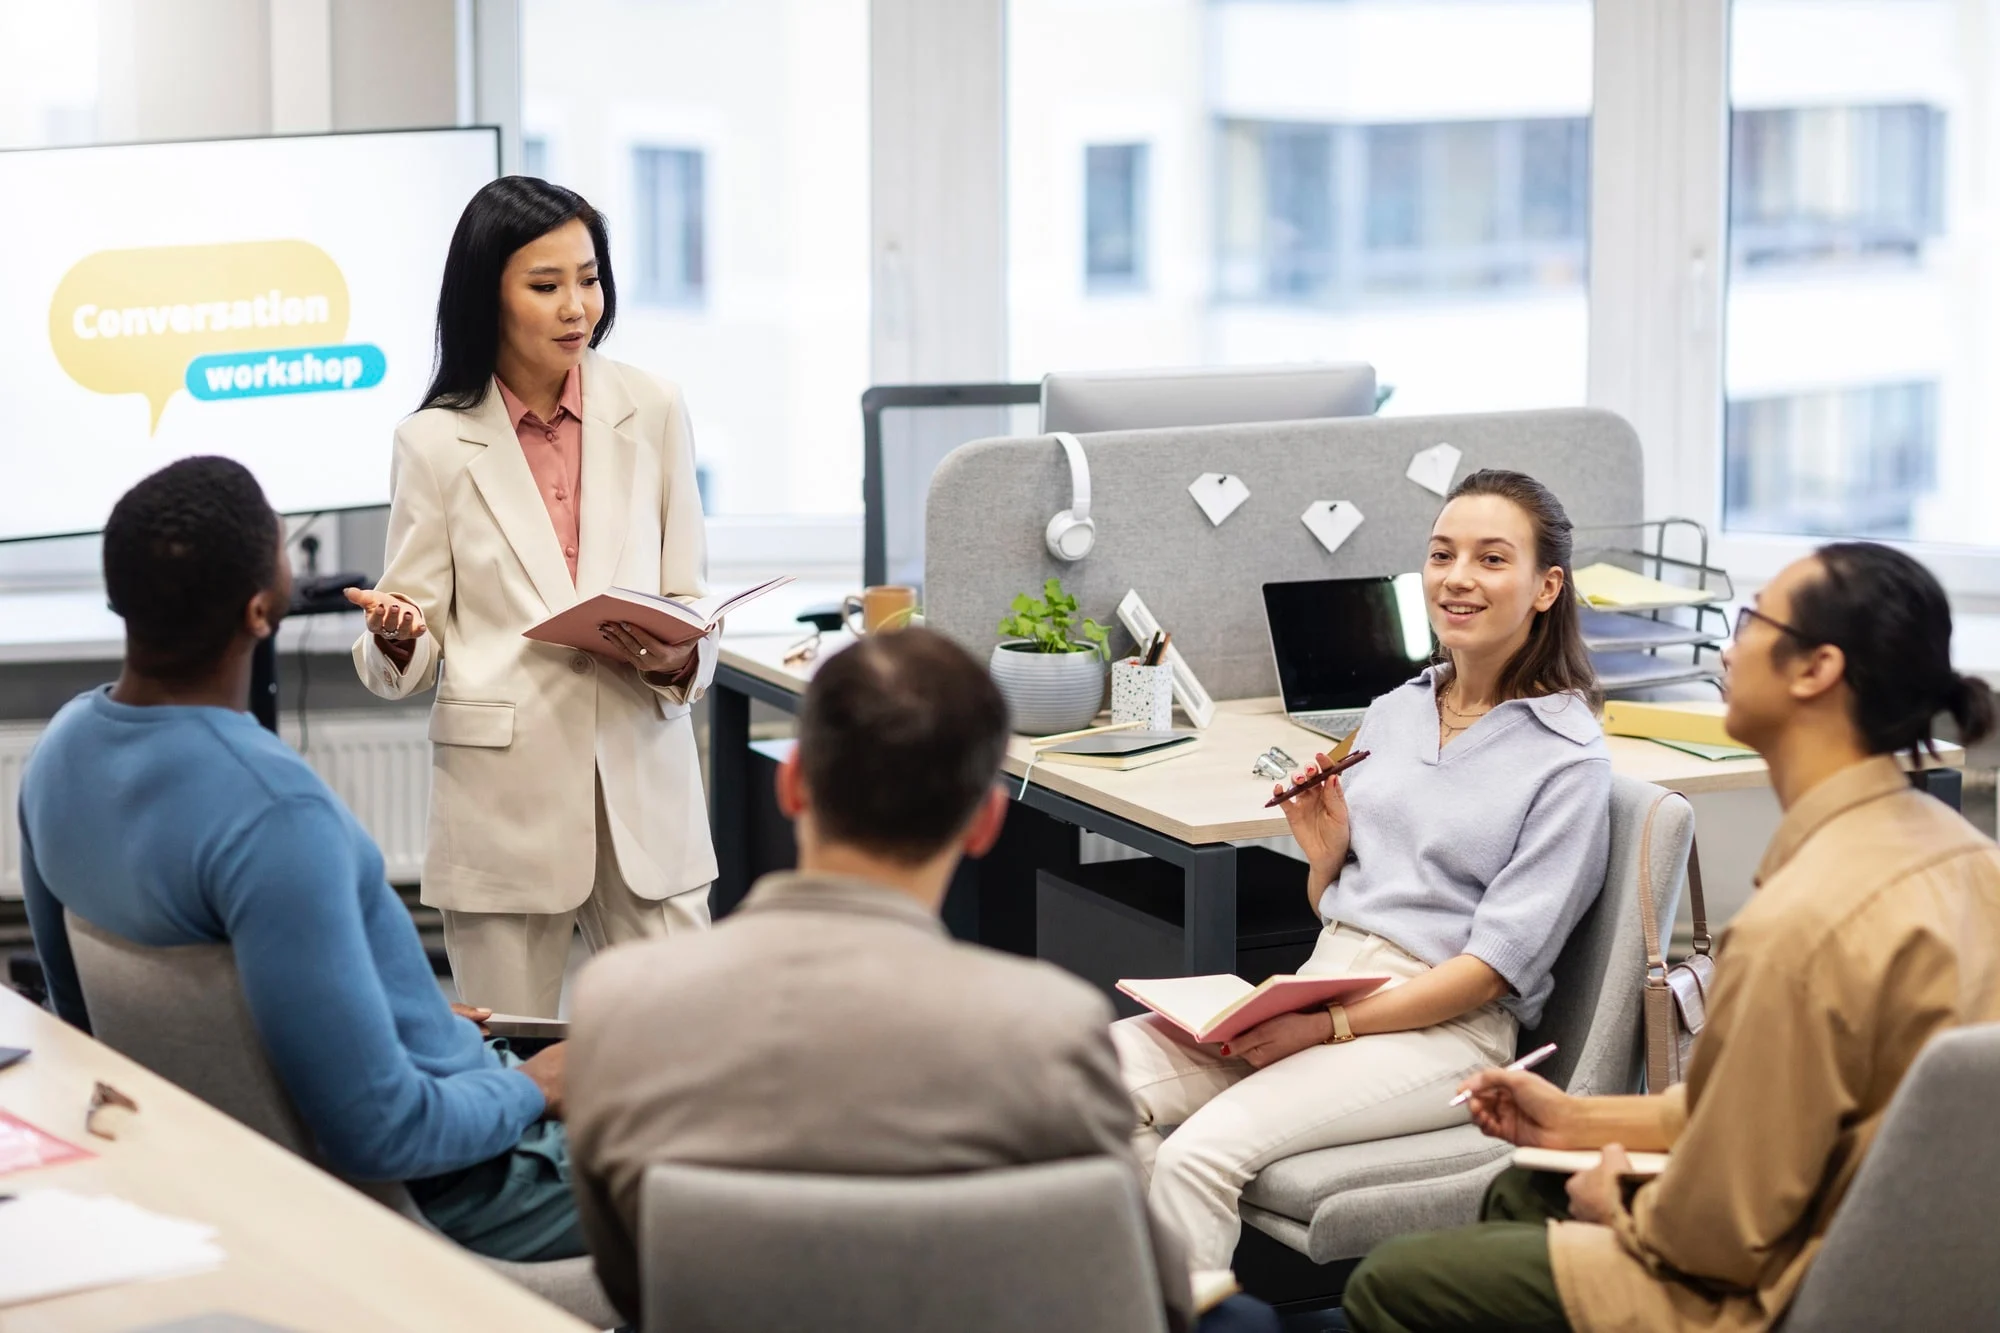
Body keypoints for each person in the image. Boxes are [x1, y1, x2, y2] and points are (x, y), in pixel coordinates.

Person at [1342, 541, 2000, 1333]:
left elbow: (1723, 1229)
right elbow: (1775, 1113)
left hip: (1776, 1286)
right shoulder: (1966, 857)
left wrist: (1618, 1197)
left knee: (1390, 1280)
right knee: (1524, 1187)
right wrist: (1576, 1123)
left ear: (1815, 669)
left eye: (1752, 621)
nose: (1728, 644)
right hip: (1908, 1255)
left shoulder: (1800, 922)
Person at [565, 628, 1275, 1333]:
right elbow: (1135, 1280)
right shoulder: (1044, 1024)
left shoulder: (618, 998)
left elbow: (633, 1280)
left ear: (791, 781)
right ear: (985, 821)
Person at [20, 458, 585, 1262]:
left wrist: (379, 1009)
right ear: (262, 607)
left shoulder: (60, 755)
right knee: (740, 1143)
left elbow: (88, 1023)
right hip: (465, 1186)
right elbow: (384, 1132)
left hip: (265, 1162)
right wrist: (538, 1085)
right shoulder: (275, 815)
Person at [1110, 469, 1612, 1270]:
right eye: (1442, 553)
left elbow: (1489, 972)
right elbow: (1343, 907)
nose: (1456, 578)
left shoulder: (1567, 759)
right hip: (1326, 981)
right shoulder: (1398, 707)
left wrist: (1326, 1026)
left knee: (1196, 1156)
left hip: (1440, 1029)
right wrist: (1326, 858)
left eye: (1490, 559)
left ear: (1546, 585)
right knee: (1085, 1084)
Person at [345, 176, 715, 1017]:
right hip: (503, 807)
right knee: (510, 1065)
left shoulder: (653, 408)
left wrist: (680, 651)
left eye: (588, 278)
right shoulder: (434, 441)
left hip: (643, 792)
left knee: (690, 1042)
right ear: (490, 296)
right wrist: (401, 637)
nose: (576, 306)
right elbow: (402, 646)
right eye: (546, 286)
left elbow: (689, 596)